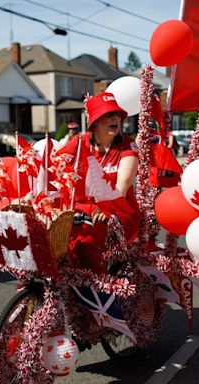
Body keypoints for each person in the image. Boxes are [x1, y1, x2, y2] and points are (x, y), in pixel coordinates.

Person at [63, 92, 140, 274]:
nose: (115, 119)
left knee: (88, 245)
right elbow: (57, 168)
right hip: (84, 209)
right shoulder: (79, 143)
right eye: (107, 116)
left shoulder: (127, 146)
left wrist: (107, 208)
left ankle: (102, 288)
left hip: (118, 210)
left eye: (117, 115)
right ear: (95, 122)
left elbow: (123, 183)